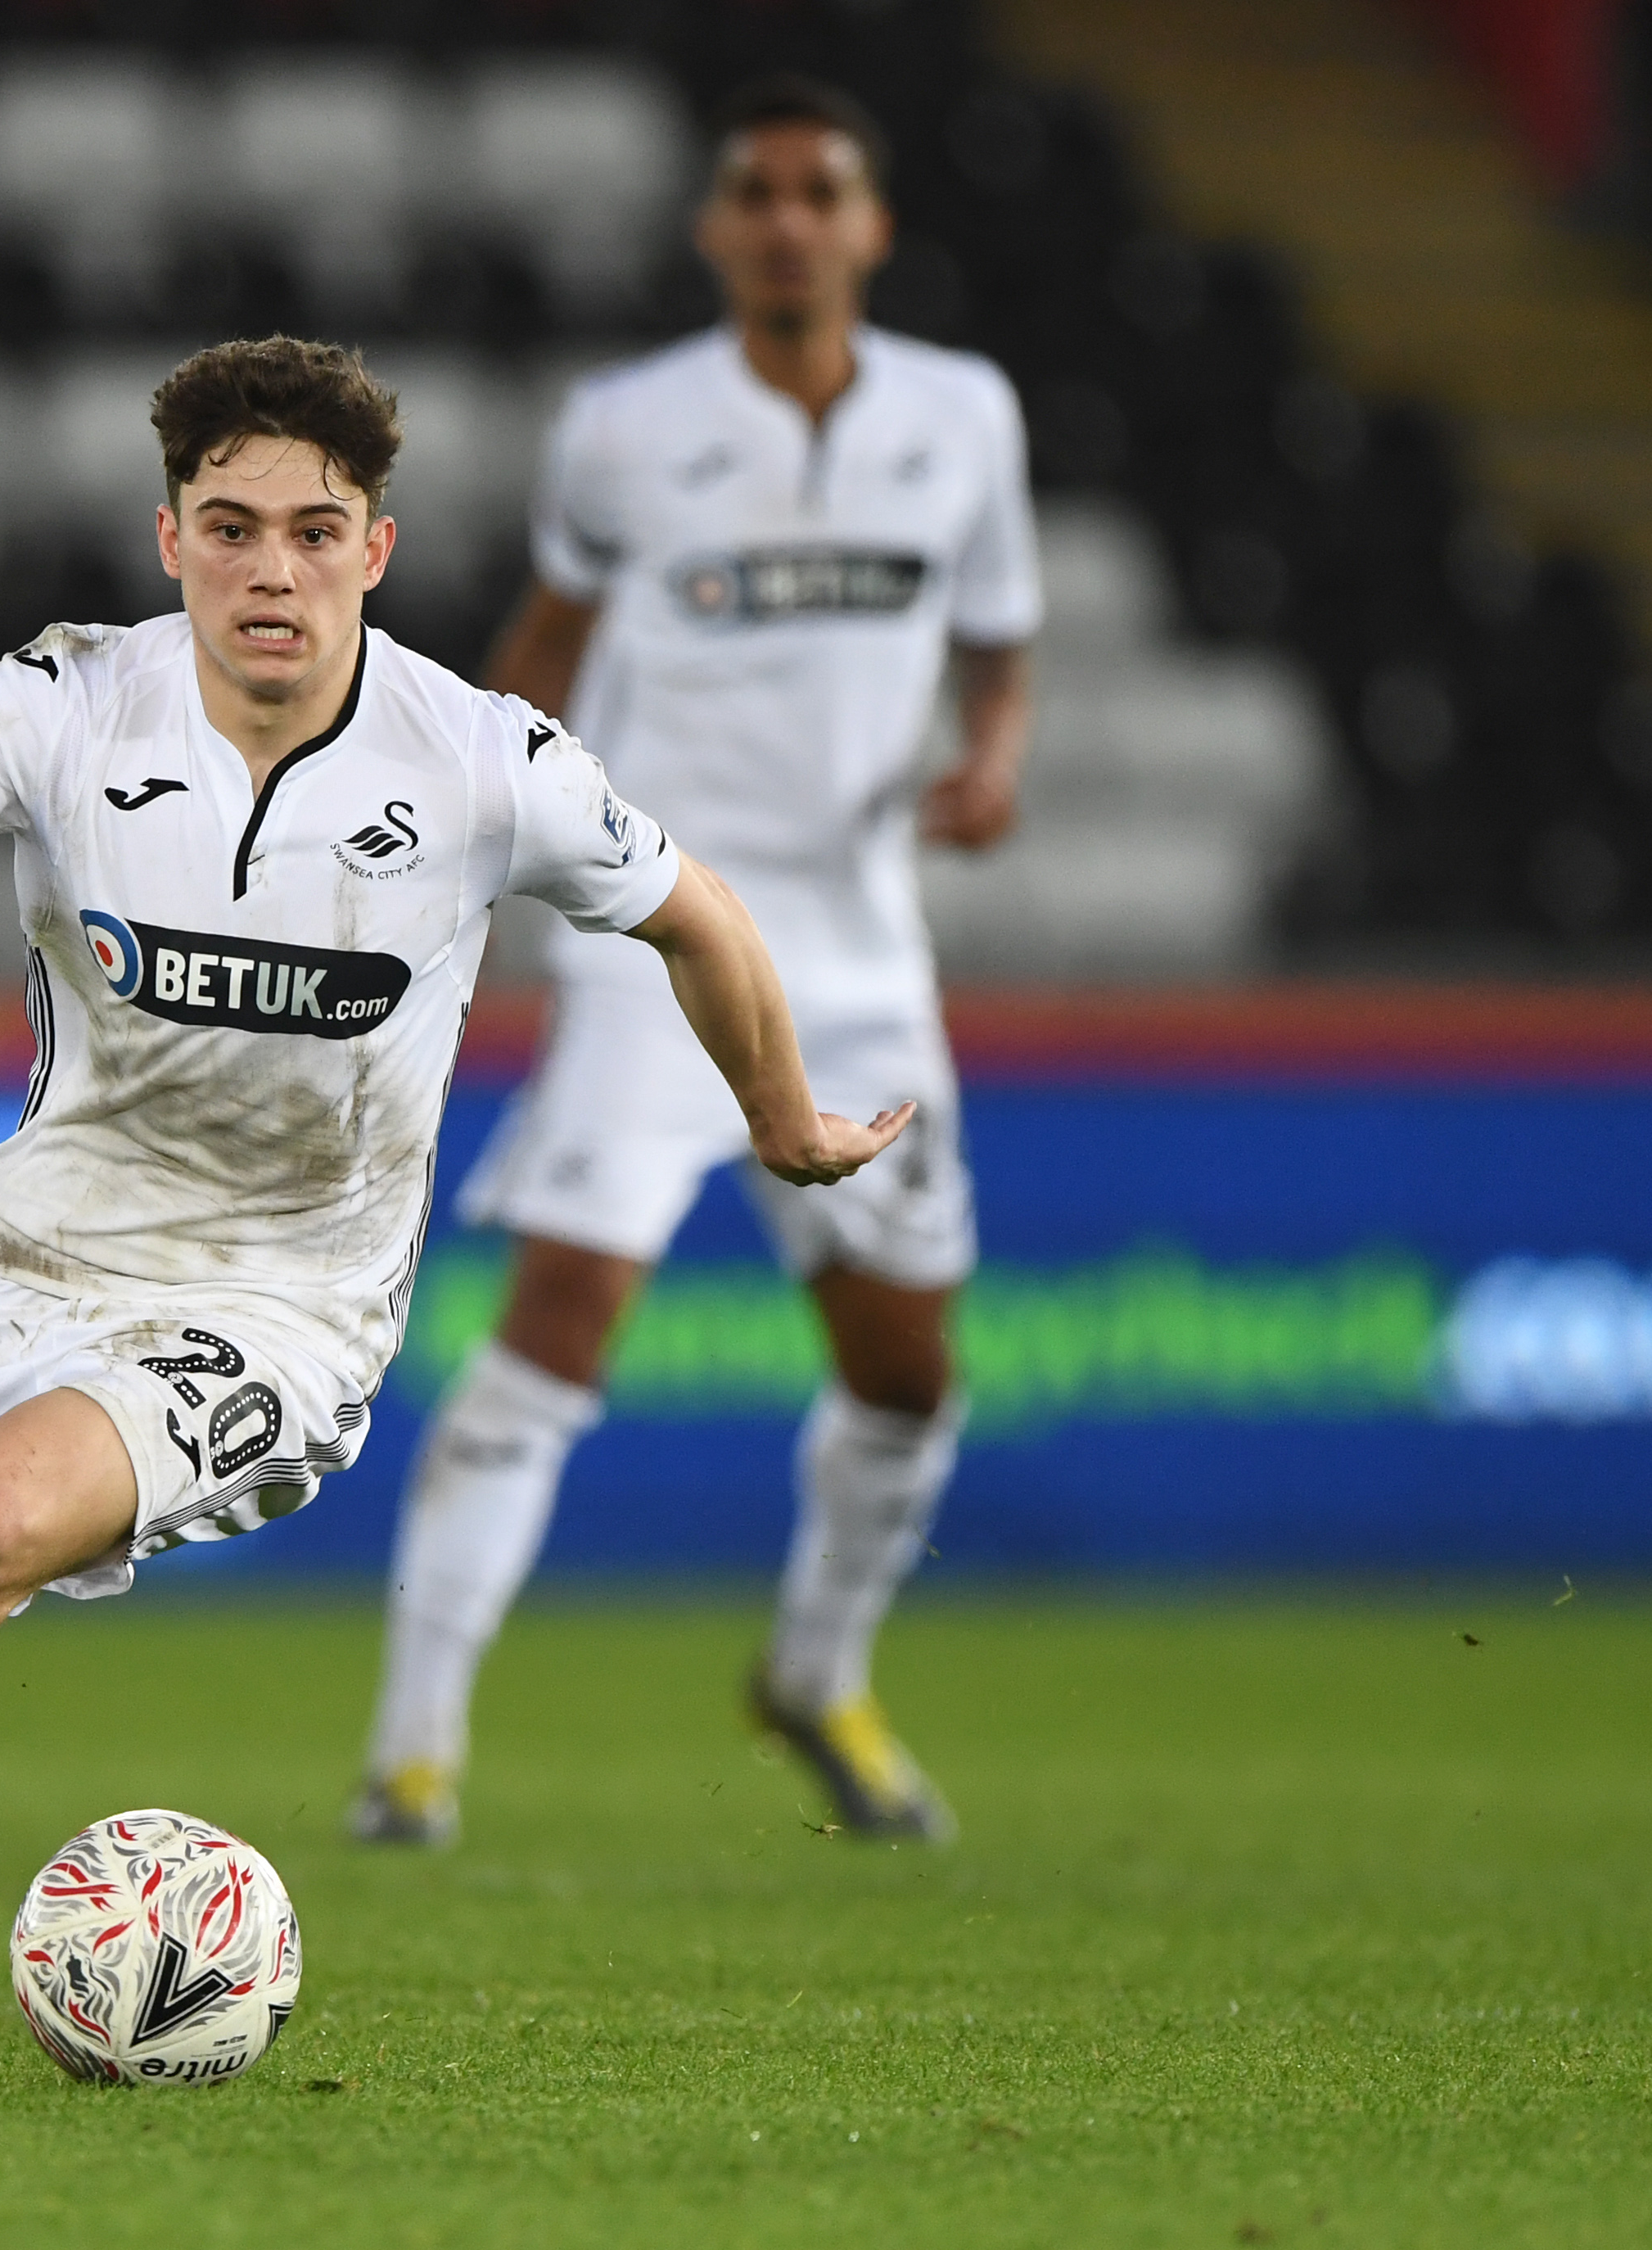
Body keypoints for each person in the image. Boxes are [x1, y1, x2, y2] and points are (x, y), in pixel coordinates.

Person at [0, 335, 911, 2061]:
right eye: (232, 528)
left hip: (280, 1308)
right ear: (172, 542)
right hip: (29, 1256)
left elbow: (702, 918)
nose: (271, 569)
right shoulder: (64, 703)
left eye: (314, 529)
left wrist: (782, 1116)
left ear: (375, 547)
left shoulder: (485, 760)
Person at [351, 76, 1040, 1851]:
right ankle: (412, 1757)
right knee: (558, 1331)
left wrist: (995, 756)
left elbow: (999, 635)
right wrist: (471, 841)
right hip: (655, 923)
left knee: (905, 1374)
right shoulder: (630, 426)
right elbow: (546, 648)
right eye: (759, 192)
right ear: (718, 229)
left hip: (866, 947)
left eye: (825, 190)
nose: (791, 218)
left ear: (870, 226)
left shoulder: (966, 417)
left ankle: (818, 1669)